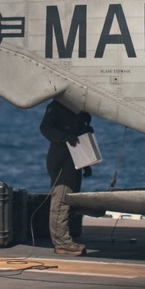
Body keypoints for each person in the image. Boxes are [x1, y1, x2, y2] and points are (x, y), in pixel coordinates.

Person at [39, 98, 93, 255]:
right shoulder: (57, 107)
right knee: (62, 199)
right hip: (61, 159)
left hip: (74, 159)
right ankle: (62, 243)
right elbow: (45, 128)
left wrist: (86, 163)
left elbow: (80, 137)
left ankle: (65, 239)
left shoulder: (79, 110)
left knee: (70, 200)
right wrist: (63, 136)